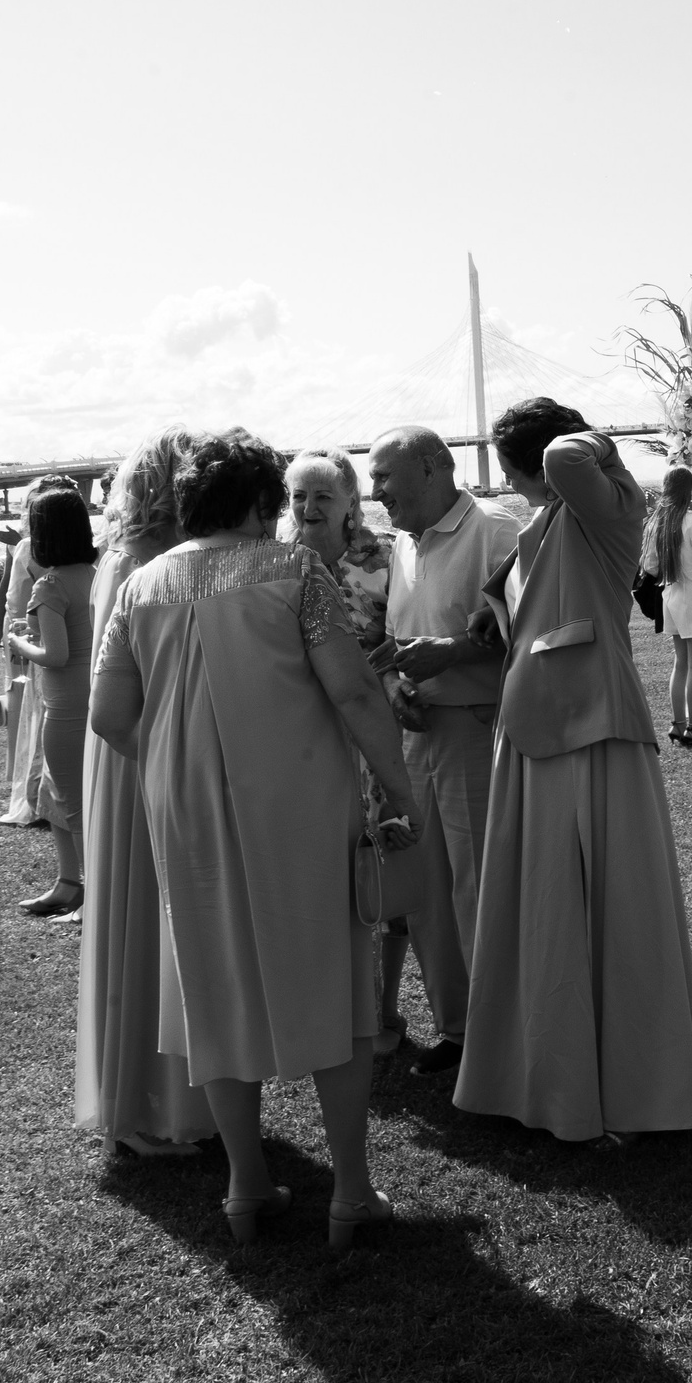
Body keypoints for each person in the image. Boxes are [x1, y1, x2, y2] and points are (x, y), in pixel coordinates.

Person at [89, 428, 421, 1252]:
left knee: (213, 979)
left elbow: (106, 716)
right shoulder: (296, 569)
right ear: (257, 500)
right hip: (300, 798)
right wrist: (399, 784)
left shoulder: (144, 582)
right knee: (334, 983)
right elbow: (350, 687)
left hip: (186, 808)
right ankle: (348, 1190)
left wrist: (172, 760)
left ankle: (244, 1185)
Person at [454, 398, 692, 1141]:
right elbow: (529, 595)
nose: (515, 482)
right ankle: (541, 1079)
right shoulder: (545, 524)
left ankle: (629, 1091)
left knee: (611, 908)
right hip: (532, 731)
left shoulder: (607, 501)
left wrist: (578, 431)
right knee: (540, 911)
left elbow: (567, 457)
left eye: (512, 469)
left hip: (593, 725)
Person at [73, 425, 215, 1159]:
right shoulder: (144, 562)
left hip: (140, 751)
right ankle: (148, 1107)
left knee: (171, 926)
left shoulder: (128, 557)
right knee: (151, 925)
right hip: (143, 753)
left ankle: (181, 1095)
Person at [366, 425, 521, 1083]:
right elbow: (396, 639)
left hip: (473, 730)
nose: (375, 492)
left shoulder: (496, 531)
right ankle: (456, 1030)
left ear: (434, 467)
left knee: (479, 885)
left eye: (383, 477)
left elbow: (531, 632)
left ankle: (502, 1033)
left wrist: (454, 652)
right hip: (417, 737)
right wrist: (396, 683)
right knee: (427, 892)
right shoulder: (402, 543)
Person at [288, 449, 418, 1052]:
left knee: (383, 872)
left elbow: (405, 638)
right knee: (324, 876)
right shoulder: (280, 563)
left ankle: (382, 1010)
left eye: (321, 496)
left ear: (350, 502)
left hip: (377, 731)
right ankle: (334, 1010)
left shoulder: (388, 556)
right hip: (308, 741)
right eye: (297, 497)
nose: (307, 508)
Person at [2, 486, 97, 917]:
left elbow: (55, 655)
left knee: (74, 803)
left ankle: (90, 897)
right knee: (53, 794)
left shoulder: (51, 583)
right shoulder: (97, 574)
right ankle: (67, 882)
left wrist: (20, 640)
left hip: (66, 709)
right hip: (95, 695)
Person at [0, 474, 76, 827]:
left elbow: (15, 598)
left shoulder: (28, 548)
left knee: (32, 718)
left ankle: (33, 797)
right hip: (67, 640)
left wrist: (9, 636)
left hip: (32, 640)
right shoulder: (88, 551)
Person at [644, 465, 692, 748]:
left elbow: (650, 566)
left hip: (670, 595)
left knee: (681, 663)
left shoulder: (656, 522)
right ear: (690, 490)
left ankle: (677, 723)